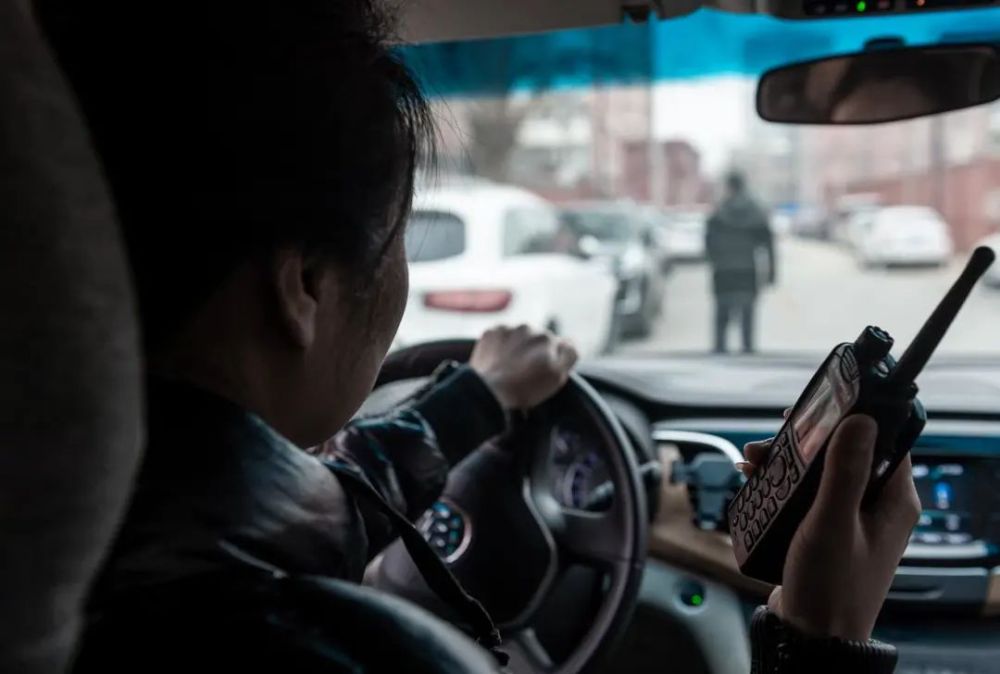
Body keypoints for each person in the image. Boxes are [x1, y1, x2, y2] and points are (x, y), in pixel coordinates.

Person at [35, 1, 918, 672]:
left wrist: (481, 397)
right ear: (304, 286)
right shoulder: (344, 647)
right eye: (401, 238)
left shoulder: (71, 524)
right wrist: (820, 639)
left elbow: (308, 504)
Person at [705, 171, 776, 354]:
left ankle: (719, 354)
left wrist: (714, 260)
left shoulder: (719, 212)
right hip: (747, 270)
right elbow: (768, 245)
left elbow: (708, 242)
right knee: (747, 317)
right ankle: (747, 352)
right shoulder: (756, 211)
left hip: (723, 271)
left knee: (722, 317)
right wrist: (771, 274)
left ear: (729, 187)